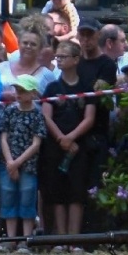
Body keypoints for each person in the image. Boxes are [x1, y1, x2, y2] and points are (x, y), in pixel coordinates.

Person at [39, 39, 97, 242]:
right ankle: (61, 238)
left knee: (76, 192)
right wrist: (61, 138)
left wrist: (72, 137)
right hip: (55, 146)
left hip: (78, 146)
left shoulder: (86, 87)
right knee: (57, 192)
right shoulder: (52, 88)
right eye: (58, 57)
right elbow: (46, 116)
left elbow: (89, 118)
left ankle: (75, 238)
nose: (59, 60)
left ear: (75, 59)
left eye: (63, 57)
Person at [0, 76, 47, 251]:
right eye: (17, 90)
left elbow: (36, 144)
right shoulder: (9, 111)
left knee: (27, 199)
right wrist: (10, 162)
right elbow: (3, 138)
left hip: (28, 165)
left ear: (33, 93)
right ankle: (11, 239)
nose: (19, 94)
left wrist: (17, 163)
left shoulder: (37, 115)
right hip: (8, 163)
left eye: (23, 90)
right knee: (8, 197)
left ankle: (26, 239)